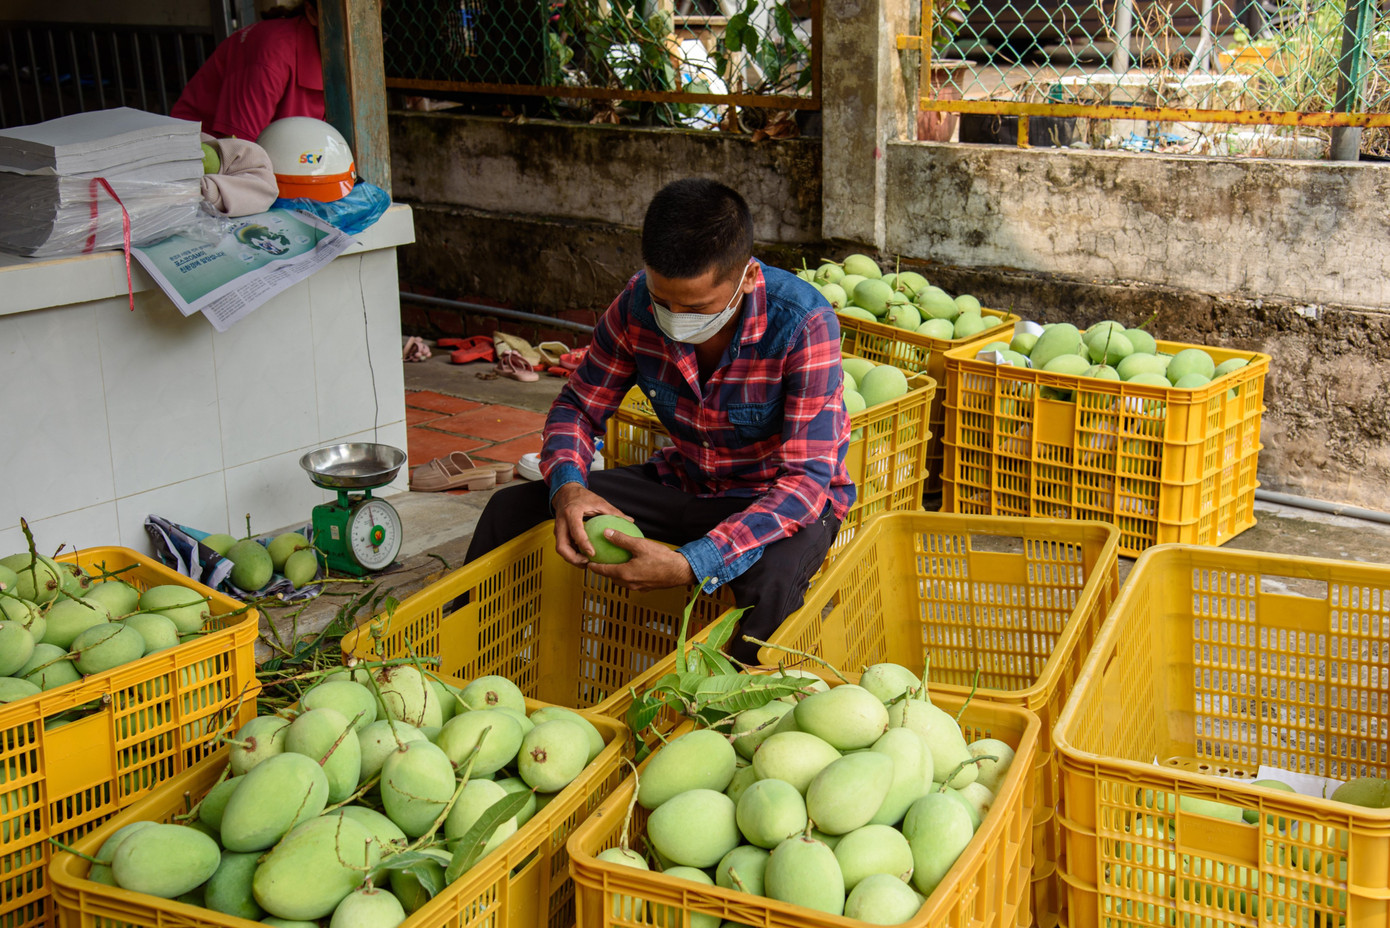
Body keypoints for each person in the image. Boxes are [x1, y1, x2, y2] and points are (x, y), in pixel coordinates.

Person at [464, 178, 855, 664]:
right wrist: (568, 487)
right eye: (662, 300)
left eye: (695, 308)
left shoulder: (803, 323)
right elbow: (578, 407)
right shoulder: (634, 307)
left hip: (778, 499)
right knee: (512, 510)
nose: (674, 318)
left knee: (770, 582)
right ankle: (467, 658)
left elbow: (805, 482)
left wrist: (693, 563)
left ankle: (726, 718)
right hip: (685, 482)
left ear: (748, 278)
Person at [171, 1, 324, 142]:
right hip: (199, 153)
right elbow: (240, 151)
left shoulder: (338, 59)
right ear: (312, 14)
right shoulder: (273, 53)